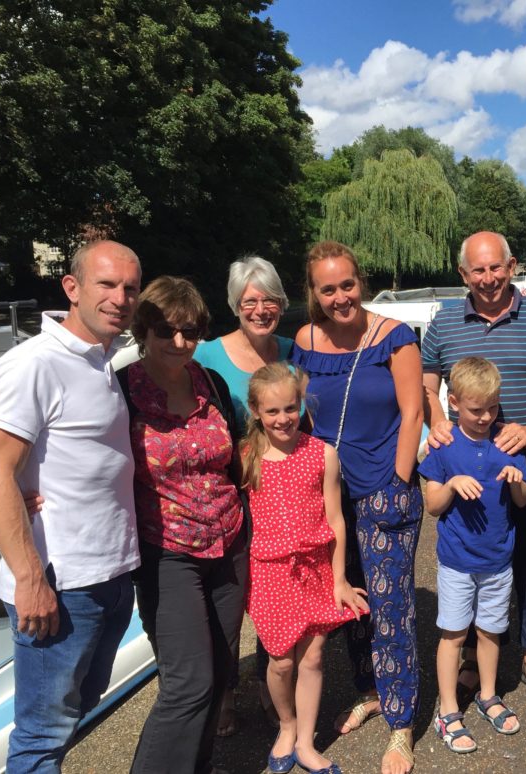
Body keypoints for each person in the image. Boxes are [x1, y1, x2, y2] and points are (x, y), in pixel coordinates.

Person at [0, 240, 142, 773]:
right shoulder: (34, 363)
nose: (120, 297)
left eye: (130, 288)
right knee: (40, 738)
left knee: (72, 715)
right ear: (71, 288)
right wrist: (29, 579)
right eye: (107, 284)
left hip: (108, 576)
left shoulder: (101, 361)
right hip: (59, 585)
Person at [421, 231, 526, 711]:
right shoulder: (445, 321)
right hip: (469, 472)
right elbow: (428, 383)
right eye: (478, 270)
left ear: (512, 266)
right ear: (463, 274)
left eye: (497, 268)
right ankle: (473, 654)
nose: (489, 279)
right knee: (475, 564)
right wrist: (435, 418)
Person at [289, 241, 424, 774]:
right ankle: (370, 689)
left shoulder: (394, 337)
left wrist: (399, 479)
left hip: (383, 487)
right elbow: (300, 414)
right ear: (314, 294)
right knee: (348, 600)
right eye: (328, 289)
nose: (341, 296)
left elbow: (413, 415)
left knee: (393, 606)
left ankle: (402, 720)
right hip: (327, 493)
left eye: (348, 284)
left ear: (360, 282)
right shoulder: (306, 338)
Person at [120, 276, 249, 774]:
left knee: (218, 675)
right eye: (165, 331)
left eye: (189, 332)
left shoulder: (210, 383)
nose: (178, 343)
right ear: (144, 330)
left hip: (229, 543)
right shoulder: (121, 391)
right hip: (166, 552)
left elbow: (237, 455)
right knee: (187, 683)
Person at [242, 363, 369, 774]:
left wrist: (339, 579)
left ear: (301, 406)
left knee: (313, 659)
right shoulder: (247, 457)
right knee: (280, 661)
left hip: (315, 570)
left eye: (290, 408)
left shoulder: (322, 453)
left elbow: (336, 521)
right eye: (272, 411)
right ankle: (287, 725)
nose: (283, 419)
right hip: (270, 573)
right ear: (256, 412)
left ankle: (306, 741)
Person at [194, 254, 294, 735]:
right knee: (230, 601)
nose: (260, 309)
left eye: (268, 299)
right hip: (229, 499)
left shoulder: (294, 350)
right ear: (235, 305)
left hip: (284, 498)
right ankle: (225, 691)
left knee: (279, 596)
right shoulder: (207, 356)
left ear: (281, 302)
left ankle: (267, 683)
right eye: (249, 300)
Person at [419, 357, 526, 754]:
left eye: (493, 408)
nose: (485, 417)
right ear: (453, 403)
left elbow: (522, 499)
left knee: (490, 631)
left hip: (498, 561)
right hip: (457, 561)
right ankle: (448, 709)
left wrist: (517, 482)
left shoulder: (506, 442)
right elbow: (432, 505)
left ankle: (487, 694)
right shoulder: (445, 445)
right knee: (453, 634)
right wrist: (451, 483)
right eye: (475, 409)